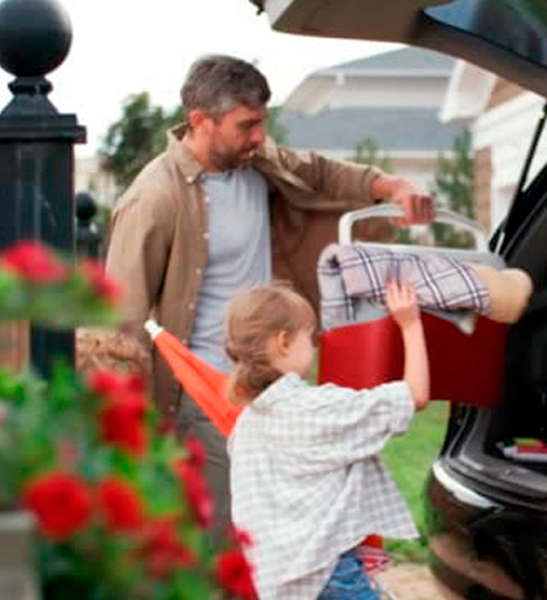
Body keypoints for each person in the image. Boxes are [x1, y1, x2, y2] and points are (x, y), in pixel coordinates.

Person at [104, 54, 434, 541]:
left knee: (287, 532)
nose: (259, 135)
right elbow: (120, 320)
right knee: (230, 541)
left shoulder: (258, 161)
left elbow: (321, 173)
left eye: (262, 122)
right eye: (247, 124)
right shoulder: (155, 198)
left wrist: (392, 186)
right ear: (200, 121)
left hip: (276, 389)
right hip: (207, 394)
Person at [224, 280, 429, 599]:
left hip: (275, 582)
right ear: (284, 342)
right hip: (327, 575)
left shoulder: (246, 425)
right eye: (310, 336)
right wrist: (411, 324)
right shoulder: (317, 409)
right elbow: (414, 395)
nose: (315, 345)